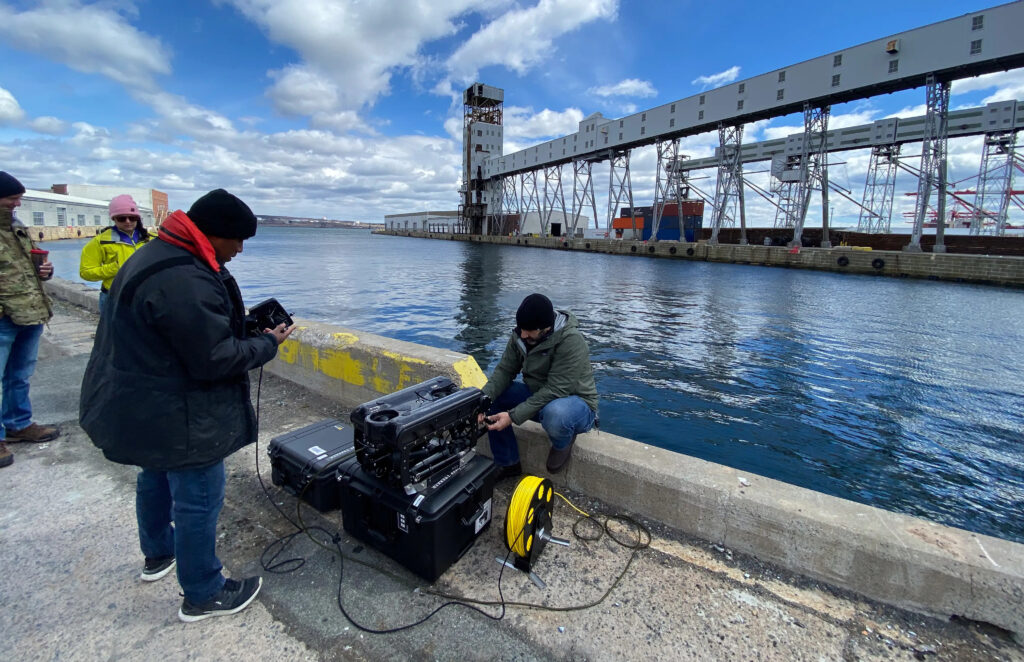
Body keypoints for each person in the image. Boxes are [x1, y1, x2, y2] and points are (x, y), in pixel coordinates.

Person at [79, 188, 295, 623]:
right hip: (178, 411)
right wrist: (266, 343)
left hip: (143, 400)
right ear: (215, 234)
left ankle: (158, 555)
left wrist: (238, 326)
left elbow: (184, 332)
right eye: (237, 240)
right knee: (198, 498)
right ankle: (204, 593)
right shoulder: (186, 277)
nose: (239, 250)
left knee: (154, 476)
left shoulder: (155, 254)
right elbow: (215, 360)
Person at [479, 293, 598, 478]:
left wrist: (512, 416)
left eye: (529, 331)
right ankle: (508, 462)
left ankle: (563, 442)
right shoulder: (521, 335)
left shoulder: (571, 340)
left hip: (575, 403)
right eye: (521, 329)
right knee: (495, 396)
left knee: (556, 414)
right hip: (538, 394)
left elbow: (556, 390)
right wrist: (481, 402)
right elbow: (504, 371)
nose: (523, 334)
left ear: (546, 328)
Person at [0, 171, 60, 470]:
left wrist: (44, 271)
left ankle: (17, 424)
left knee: (19, 374)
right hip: (4, 315)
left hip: (29, 311)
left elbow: (23, 268)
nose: (16, 205)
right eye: (12, 200)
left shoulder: (17, 229)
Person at [79, 194, 152, 313]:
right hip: (114, 298)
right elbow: (85, 272)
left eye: (132, 218)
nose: (128, 222)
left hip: (147, 298)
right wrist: (114, 268)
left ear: (137, 218)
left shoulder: (152, 239)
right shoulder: (100, 242)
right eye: (122, 218)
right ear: (113, 219)